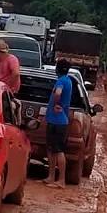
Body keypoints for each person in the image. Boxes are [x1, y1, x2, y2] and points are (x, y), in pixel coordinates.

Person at [45, 59, 73, 189]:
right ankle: (51, 177)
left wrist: (56, 104)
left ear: (58, 69)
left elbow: (58, 93)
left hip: (58, 121)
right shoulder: (68, 80)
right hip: (56, 120)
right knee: (51, 149)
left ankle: (61, 180)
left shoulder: (61, 81)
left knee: (58, 150)